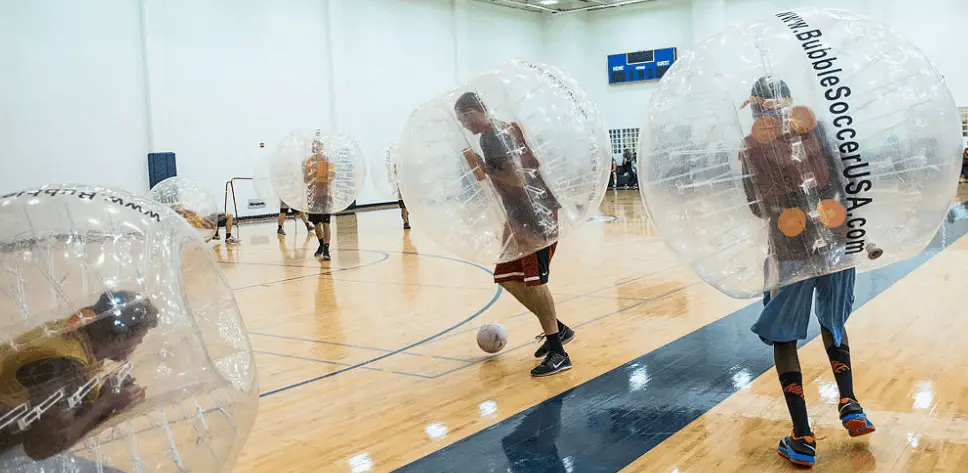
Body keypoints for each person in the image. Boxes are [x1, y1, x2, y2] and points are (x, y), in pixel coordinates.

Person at [739, 76, 875, 468]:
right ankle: (850, 404)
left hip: (789, 247)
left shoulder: (750, 146)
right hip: (835, 236)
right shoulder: (817, 128)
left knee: (785, 336)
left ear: (756, 106)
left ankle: (802, 435)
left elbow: (754, 206)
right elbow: (846, 175)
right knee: (833, 321)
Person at [455, 92, 575, 377]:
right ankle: (558, 329)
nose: (464, 126)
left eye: (464, 119)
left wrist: (481, 169)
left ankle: (559, 352)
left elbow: (516, 177)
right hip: (519, 215)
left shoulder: (498, 135)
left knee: (534, 280)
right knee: (506, 276)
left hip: (535, 217)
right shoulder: (492, 136)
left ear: (473, 112)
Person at [0, 291, 158, 462]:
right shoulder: (66, 366)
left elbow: (58, 400)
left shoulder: (75, 327)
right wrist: (106, 403)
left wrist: (101, 396)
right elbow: (40, 447)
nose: (139, 345)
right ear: (118, 338)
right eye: (139, 339)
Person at [304, 134, 334, 260]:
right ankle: (321, 244)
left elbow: (332, 176)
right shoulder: (309, 162)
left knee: (326, 223)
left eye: (318, 146)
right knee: (316, 223)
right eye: (314, 146)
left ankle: (326, 248)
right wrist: (312, 175)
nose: (316, 148)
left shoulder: (327, 161)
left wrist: (322, 175)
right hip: (313, 197)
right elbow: (306, 179)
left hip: (325, 196)